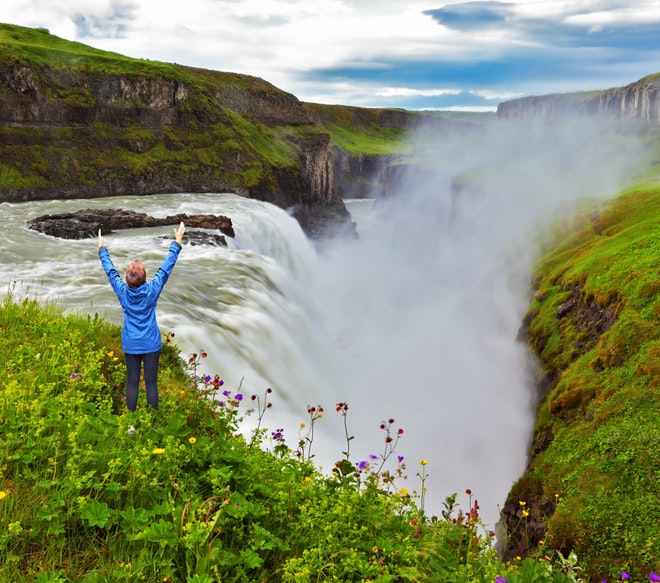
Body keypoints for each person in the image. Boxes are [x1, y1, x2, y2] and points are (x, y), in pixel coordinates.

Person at [98, 222, 185, 432]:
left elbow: (110, 272)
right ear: (144, 278)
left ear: (127, 279)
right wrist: (177, 242)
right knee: (152, 383)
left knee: (132, 383)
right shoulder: (152, 290)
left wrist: (102, 249)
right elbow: (165, 269)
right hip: (151, 343)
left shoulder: (122, 290)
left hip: (131, 342)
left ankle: (131, 425)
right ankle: (152, 424)